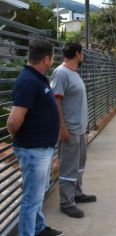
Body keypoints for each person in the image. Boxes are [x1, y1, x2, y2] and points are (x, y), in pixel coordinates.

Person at [7, 39, 63, 236]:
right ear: (46, 59)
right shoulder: (28, 81)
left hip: (41, 148)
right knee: (31, 199)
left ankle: (38, 229)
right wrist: (23, 140)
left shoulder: (37, 78)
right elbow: (13, 121)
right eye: (53, 57)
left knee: (37, 195)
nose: (54, 61)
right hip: (33, 150)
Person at [51, 42, 96, 219]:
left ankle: (76, 194)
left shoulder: (74, 73)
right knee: (68, 167)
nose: (83, 56)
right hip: (69, 130)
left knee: (78, 165)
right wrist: (62, 128)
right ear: (77, 54)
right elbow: (56, 102)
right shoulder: (61, 73)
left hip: (80, 129)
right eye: (82, 53)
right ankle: (66, 203)